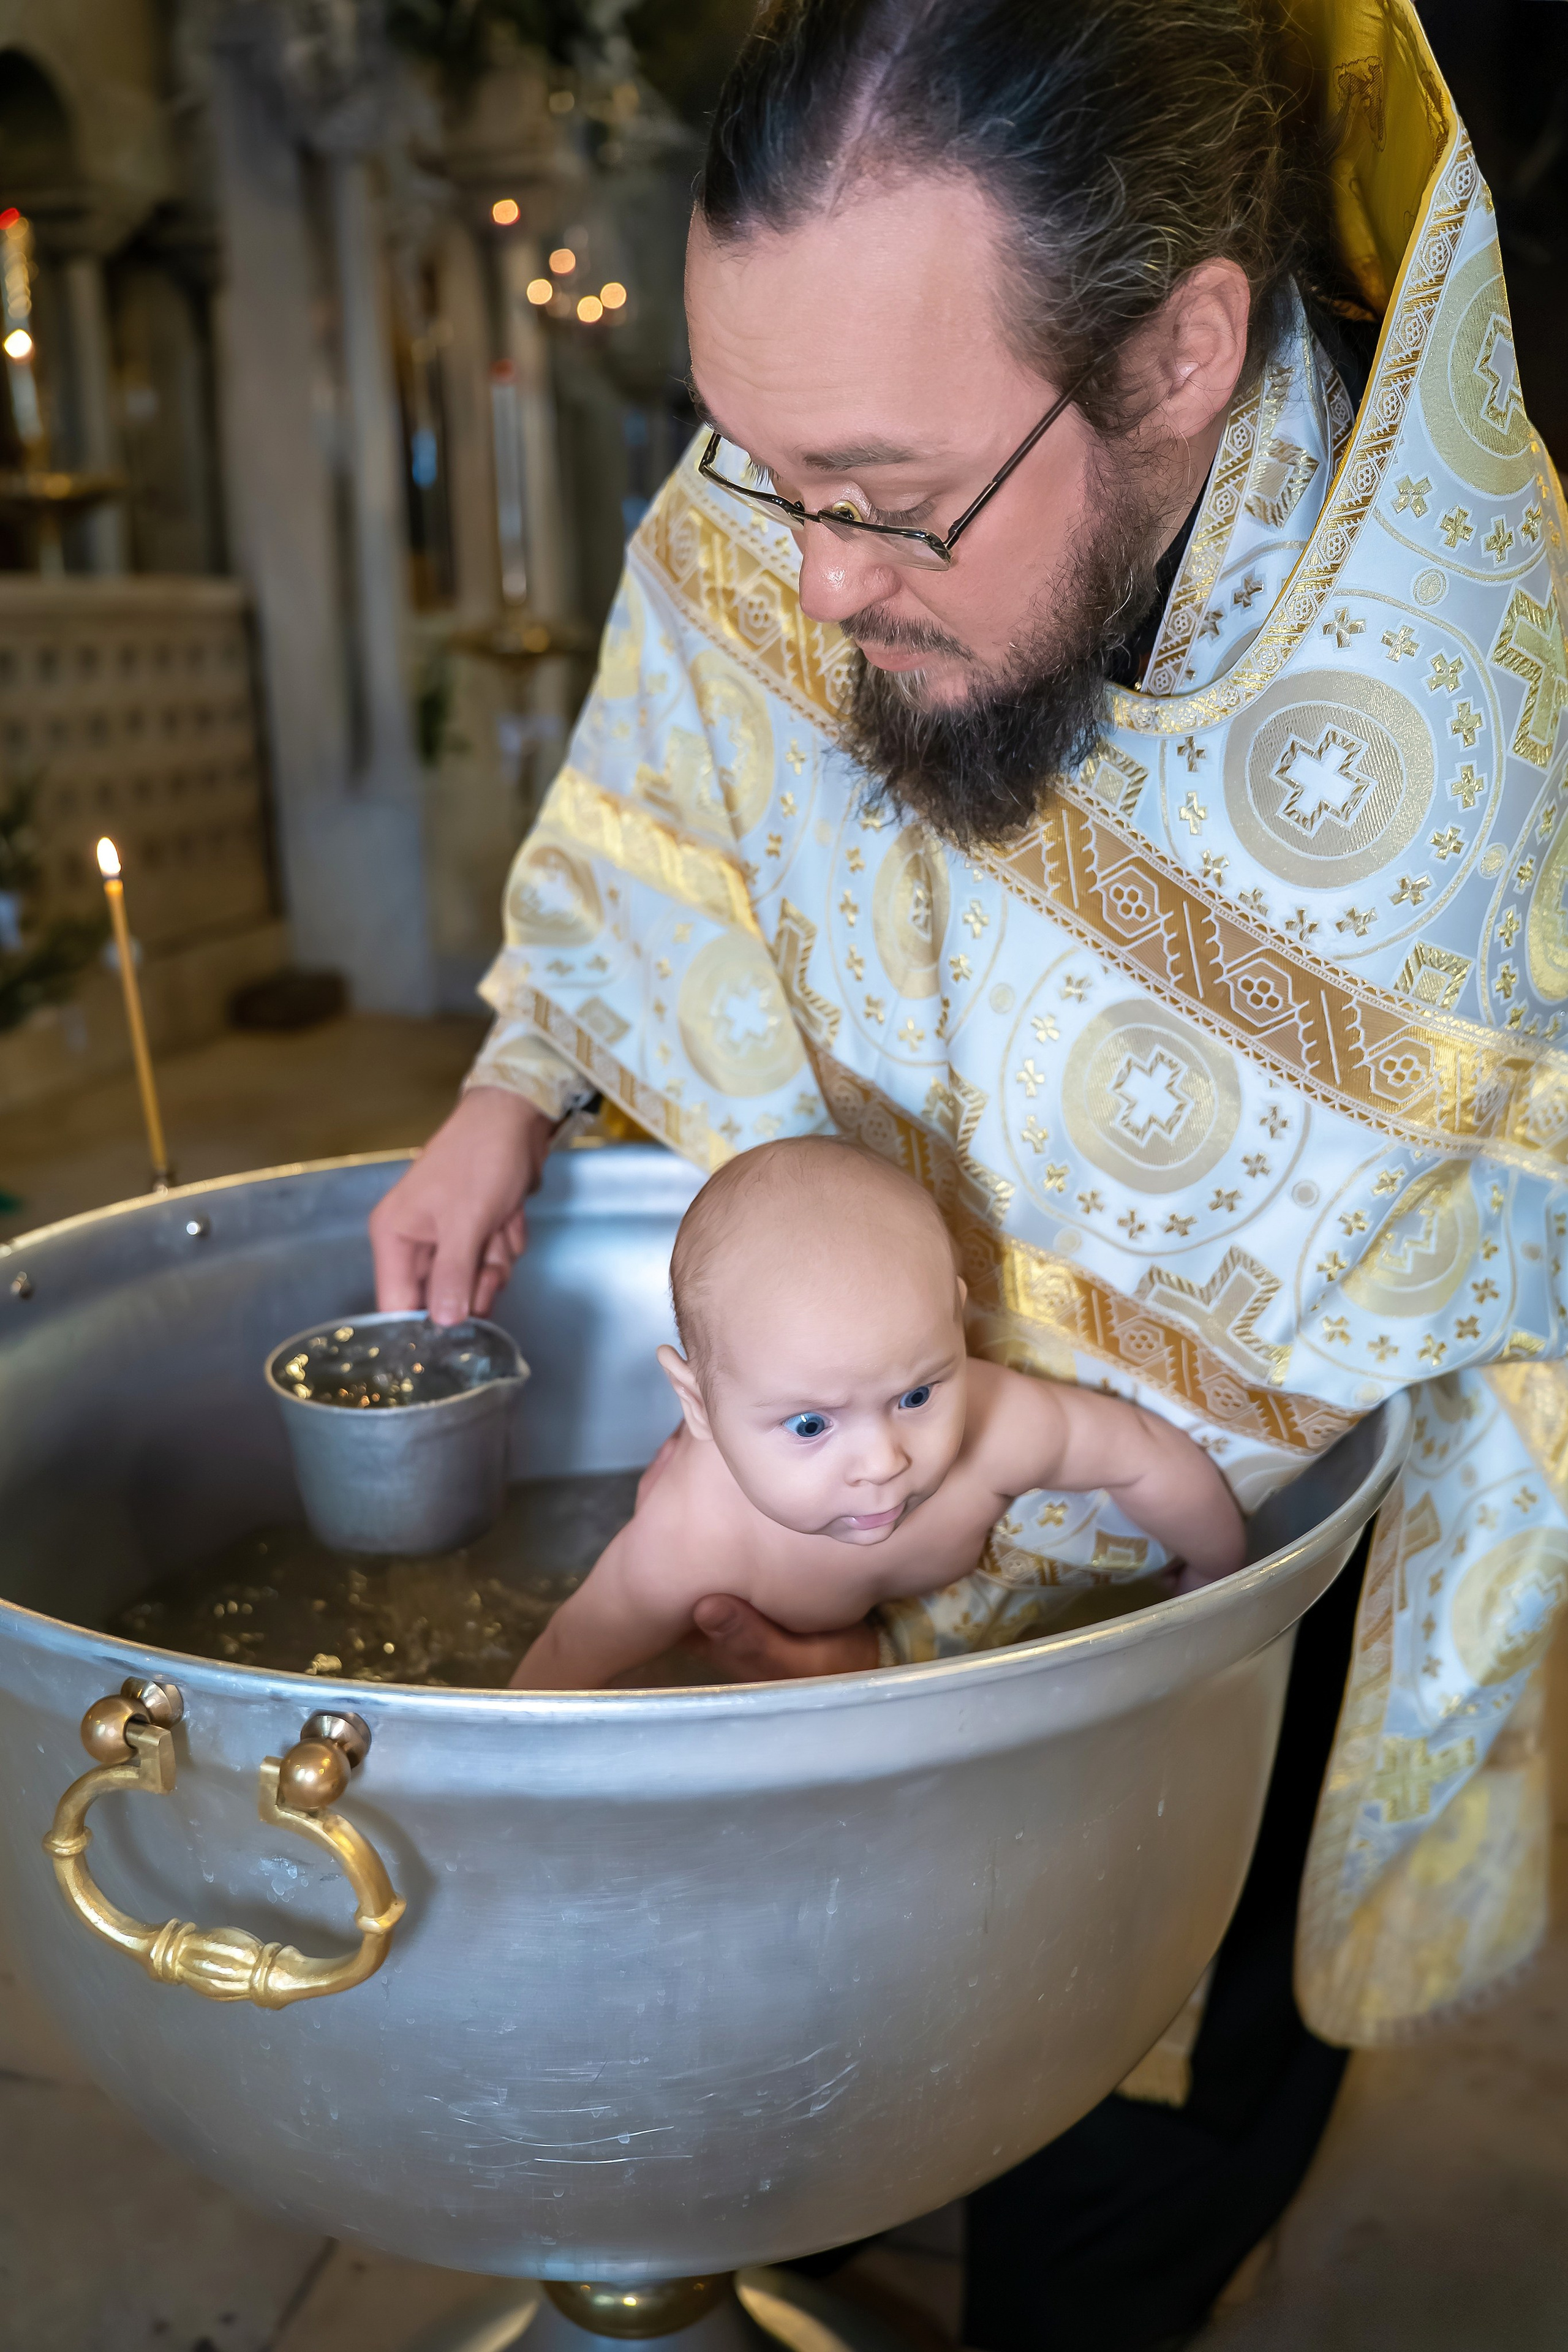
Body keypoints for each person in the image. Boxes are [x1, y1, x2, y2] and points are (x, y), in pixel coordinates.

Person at [370, 0, 1568, 2339]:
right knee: (783, 2106)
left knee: (1096, 2215)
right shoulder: (821, 463)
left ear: (1175, 358)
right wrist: (516, 1084)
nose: (816, 581)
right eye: (760, 470)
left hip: (1175, 1655)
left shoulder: (1468, 674)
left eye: (886, 499)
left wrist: (1050, 1610)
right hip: (808, 1464)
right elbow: (673, 750)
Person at [514, 1138, 1243, 1689]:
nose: (883, 1463)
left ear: (956, 1324)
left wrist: (1217, 1576)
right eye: (810, 1425)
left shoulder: (997, 1425)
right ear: (696, 1405)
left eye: (916, 1395)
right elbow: (558, 1672)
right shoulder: (687, 1543)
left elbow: (1144, 1453)